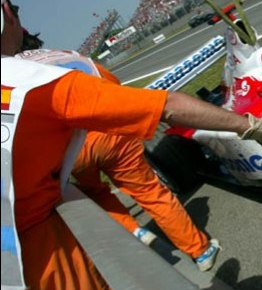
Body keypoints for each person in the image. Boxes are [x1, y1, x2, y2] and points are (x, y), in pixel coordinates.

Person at [1, 0, 262, 290]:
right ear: (7, 14)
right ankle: (199, 249)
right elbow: (161, 105)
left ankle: (133, 231)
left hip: (62, 172)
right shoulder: (35, 77)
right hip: (35, 237)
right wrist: (252, 125)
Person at [17, 44, 221, 272]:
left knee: (96, 194)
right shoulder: (63, 54)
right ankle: (200, 251)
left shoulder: (16, 76)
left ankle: (135, 231)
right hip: (111, 133)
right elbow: (111, 84)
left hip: (71, 151)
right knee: (150, 192)